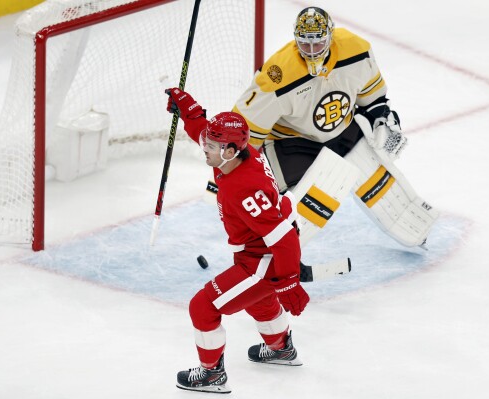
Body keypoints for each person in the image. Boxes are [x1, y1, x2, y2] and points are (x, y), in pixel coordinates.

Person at [231, 6, 438, 248]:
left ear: (330, 36)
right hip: (291, 141)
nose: (310, 51)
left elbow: (373, 100)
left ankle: (416, 234)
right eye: (304, 44)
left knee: (381, 189)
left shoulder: (356, 50)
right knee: (301, 209)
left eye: (317, 44)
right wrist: (241, 171)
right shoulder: (277, 76)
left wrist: (383, 120)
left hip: (343, 130)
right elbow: (244, 130)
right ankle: (266, 253)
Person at [165, 88, 310, 394]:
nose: (205, 147)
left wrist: (288, 281)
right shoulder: (242, 154)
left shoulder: (243, 188)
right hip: (258, 253)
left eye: (212, 145)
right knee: (260, 302)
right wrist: (190, 111)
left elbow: (282, 239)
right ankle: (280, 348)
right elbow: (204, 134)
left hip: (263, 260)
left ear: (230, 151)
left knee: (202, 307)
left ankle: (211, 374)